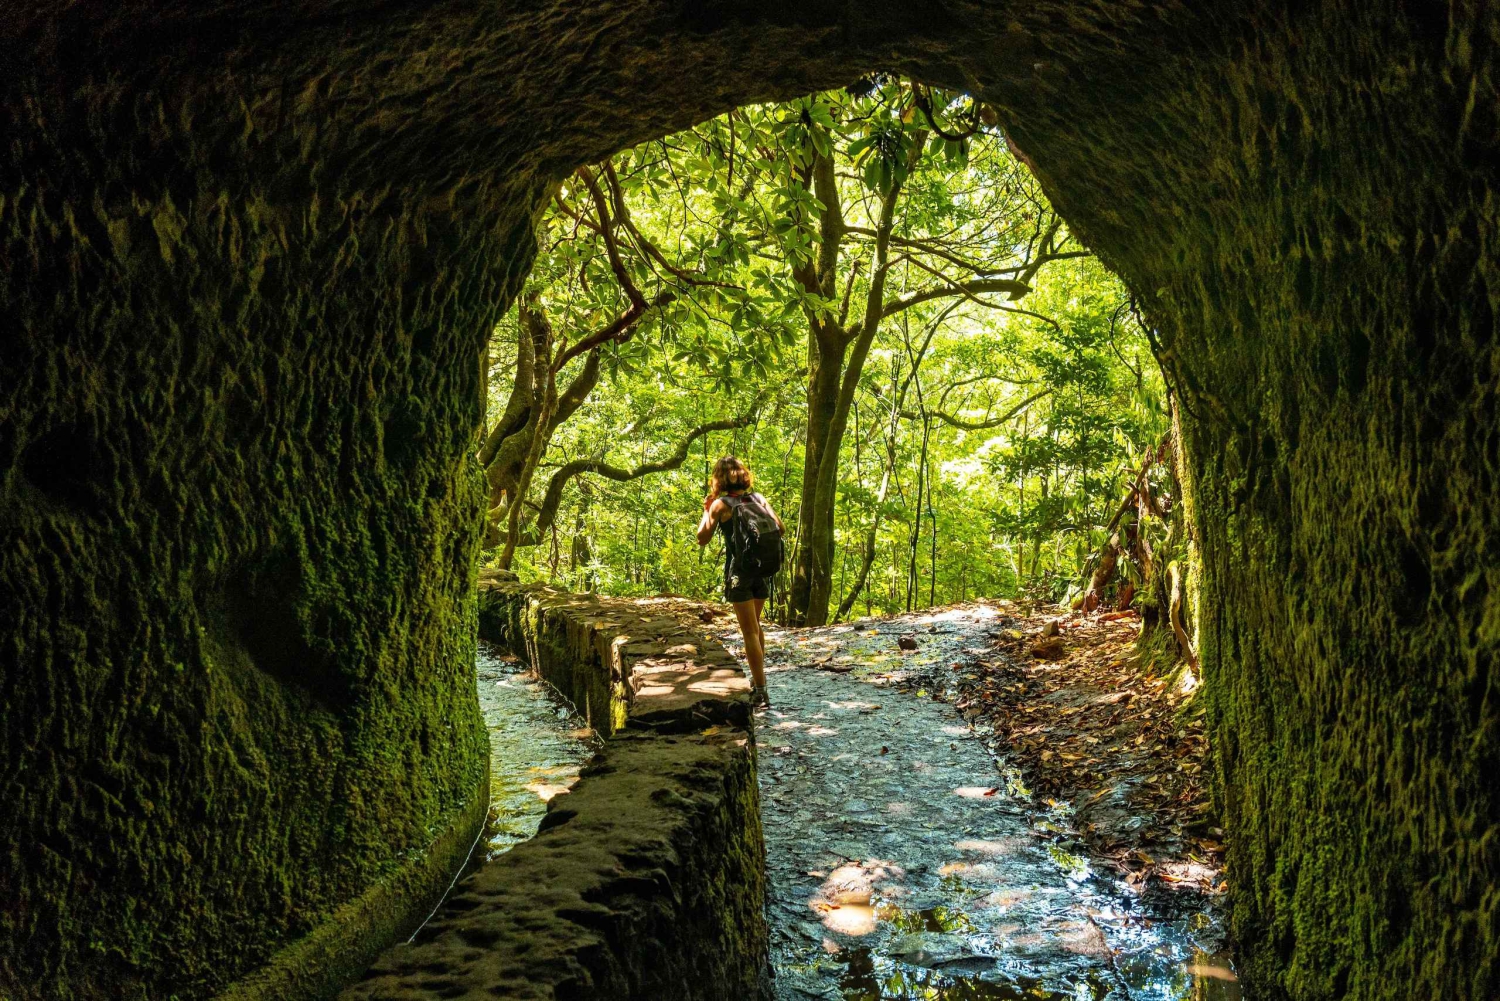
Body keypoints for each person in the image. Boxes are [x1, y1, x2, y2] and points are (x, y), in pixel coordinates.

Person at [696, 455, 783, 708]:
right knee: (755, 627)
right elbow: (781, 529)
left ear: (719, 479)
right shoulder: (759, 499)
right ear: (743, 476)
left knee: (749, 632)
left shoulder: (720, 505)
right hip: (762, 569)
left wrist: (706, 510)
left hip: (739, 574)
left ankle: (761, 690)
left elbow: (702, 538)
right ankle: (759, 682)